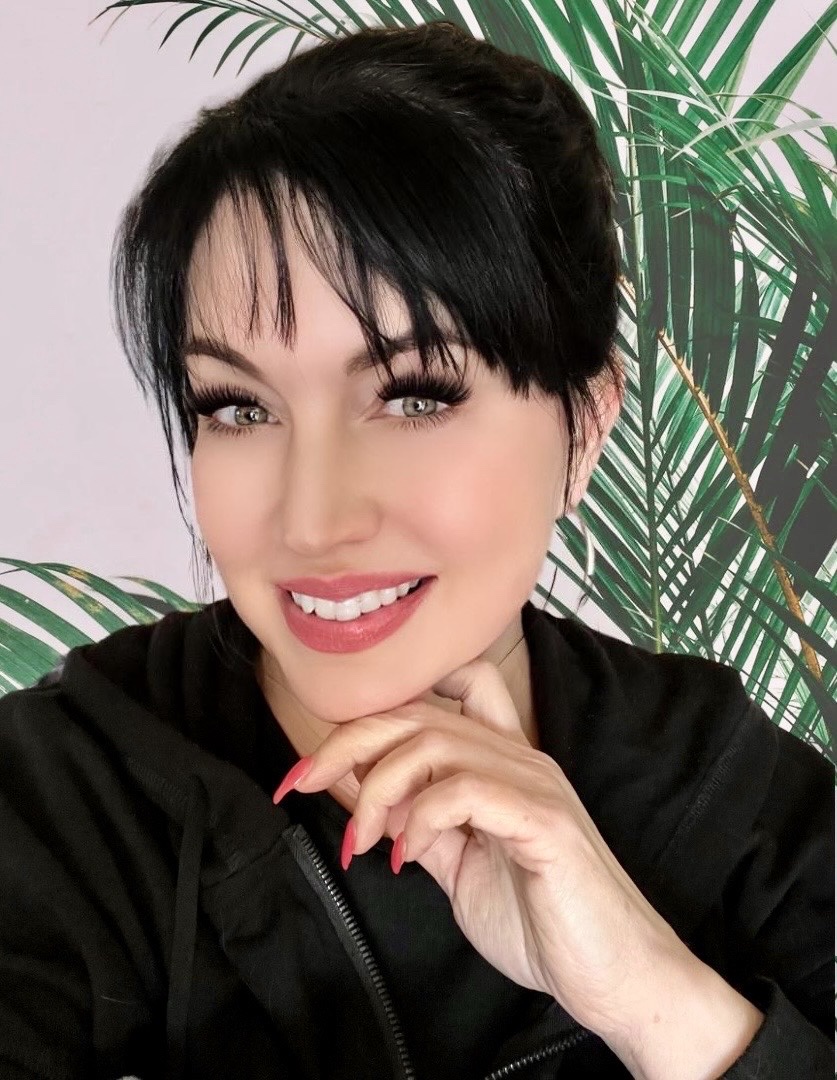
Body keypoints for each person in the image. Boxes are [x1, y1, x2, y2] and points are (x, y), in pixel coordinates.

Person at [0, 19, 832, 1080]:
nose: (312, 521)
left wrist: (652, 997)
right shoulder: (58, 807)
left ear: (584, 427)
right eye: (238, 408)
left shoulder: (734, 798)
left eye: (413, 396)